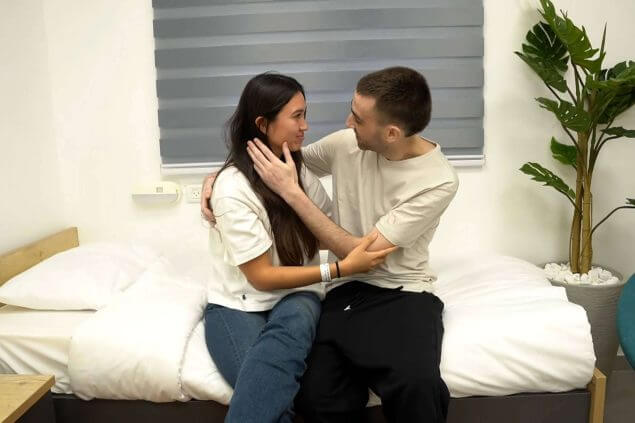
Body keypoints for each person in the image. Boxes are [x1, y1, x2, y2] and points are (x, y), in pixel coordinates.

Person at [203, 67, 459, 422]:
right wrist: (218, 178)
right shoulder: (347, 143)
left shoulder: (438, 181)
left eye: (358, 118)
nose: (348, 122)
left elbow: (363, 255)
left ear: (391, 133)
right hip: (344, 288)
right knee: (315, 395)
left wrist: (293, 193)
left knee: (416, 385)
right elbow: (276, 161)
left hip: (402, 290)